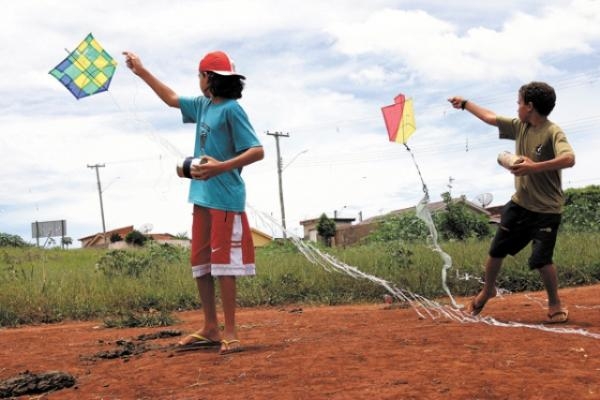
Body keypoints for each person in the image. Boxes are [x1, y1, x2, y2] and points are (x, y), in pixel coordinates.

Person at [123, 50, 264, 354]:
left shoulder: (232, 110)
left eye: (200, 75)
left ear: (208, 78)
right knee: (202, 263)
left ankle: (231, 331)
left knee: (225, 265)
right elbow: (172, 98)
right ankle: (210, 327)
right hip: (201, 197)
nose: (198, 80)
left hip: (226, 199)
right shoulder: (202, 105)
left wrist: (221, 167)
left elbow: (257, 150)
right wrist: (141, 71)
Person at [448, 81, 575, 323]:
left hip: (547, 210)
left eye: (518, 103)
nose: (516, 107)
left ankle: (555, 303)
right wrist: (464, 104)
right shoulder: (520, 126)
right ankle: (488, 290)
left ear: (529, 106)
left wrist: (533, 167)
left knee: (541, 260)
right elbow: (489, 117)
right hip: (519, 204)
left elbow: (569, 158)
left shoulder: (552, 132)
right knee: (497, 251)